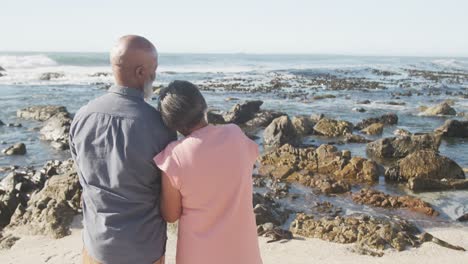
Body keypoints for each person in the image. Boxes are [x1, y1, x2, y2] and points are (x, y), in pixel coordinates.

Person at [69, 35, 175, 264]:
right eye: (153, 70)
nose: (154, 77)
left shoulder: (82, 117)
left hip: (97, 245)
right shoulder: (160, 127)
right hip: (144, 249)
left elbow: (84, 180)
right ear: (140, 72)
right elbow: (168, 197)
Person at [154, 80, 263, 264]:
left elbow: (171, 215)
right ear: (203, 105)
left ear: (171, 124)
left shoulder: (174, 156)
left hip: (198, 255)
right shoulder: (235, 134)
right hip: (244, 253)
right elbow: (250, 159)